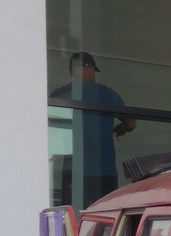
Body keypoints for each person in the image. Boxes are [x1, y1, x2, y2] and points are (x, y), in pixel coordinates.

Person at [50, 51, 136, 207]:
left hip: (72, 170)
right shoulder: (108, 94)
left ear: (71, 71)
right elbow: (131, 124)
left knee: (72, 221)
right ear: (91, 70)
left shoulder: (58, 96)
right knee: (103, 218)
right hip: (104, 171)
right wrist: (120, 129)